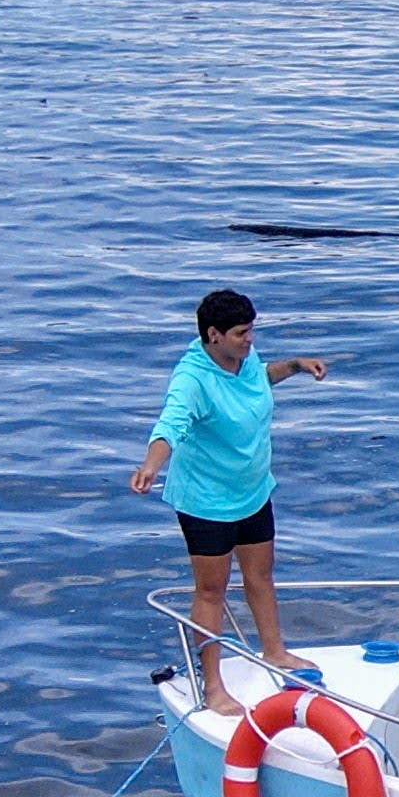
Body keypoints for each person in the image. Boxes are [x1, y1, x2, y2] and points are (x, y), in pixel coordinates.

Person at [130, 288, 327, 716]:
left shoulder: (243, 359)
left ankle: (275, 651)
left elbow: (259, 376)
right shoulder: (192, 379)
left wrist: (294, 366)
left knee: (261, 576)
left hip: (253, 490)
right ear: (213, 335)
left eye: (252, 331)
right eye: (241, 333)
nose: (249, 340)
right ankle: (214, 685)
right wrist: (150, 466)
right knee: (211, 590)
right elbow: (171, 424)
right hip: (207, 502)